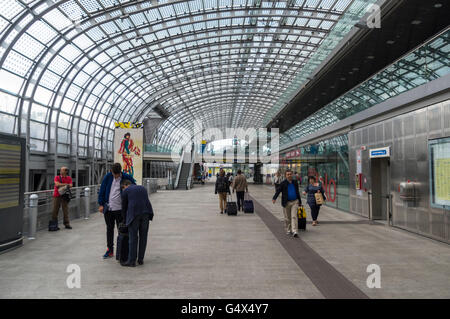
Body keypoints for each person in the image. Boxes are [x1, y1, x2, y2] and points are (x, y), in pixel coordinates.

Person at [98, 163, 135, 259]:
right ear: (111, 172)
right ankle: (109, 250)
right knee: (109, 229)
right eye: (114, 174)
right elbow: (102, 190)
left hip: (120, 210)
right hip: (108, 209)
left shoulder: (126, 177)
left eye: (117, 174)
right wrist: (101, 204)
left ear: (120, 172)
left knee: (121, 230)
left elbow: (134, 186)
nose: (116, 176)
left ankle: (121, 250)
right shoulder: (108, 177)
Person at [120, 179, 154, 267]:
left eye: (122, 188)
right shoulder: (142, 188)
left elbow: (124, 208)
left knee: (133, 238)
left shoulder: (126, 191)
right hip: (146, 213)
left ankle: (131, 261)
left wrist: (124, 220)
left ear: (125, 185)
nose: (122, 190)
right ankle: (140, 259)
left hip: (134, 215)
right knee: (143, 237)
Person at [272, 170, 302, 238]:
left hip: (295, 201)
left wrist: (300, 201)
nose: (289, 175)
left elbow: (297, 192)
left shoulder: (295, 182)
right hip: (286, 202)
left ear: (292, 175)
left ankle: (294, 231)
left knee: (294, 216)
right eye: (288, 174)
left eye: (290, 174)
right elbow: (278, 191)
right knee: (287, 218)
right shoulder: (283, 183)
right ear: (285, 175)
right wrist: (274, 198)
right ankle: (288, 229)